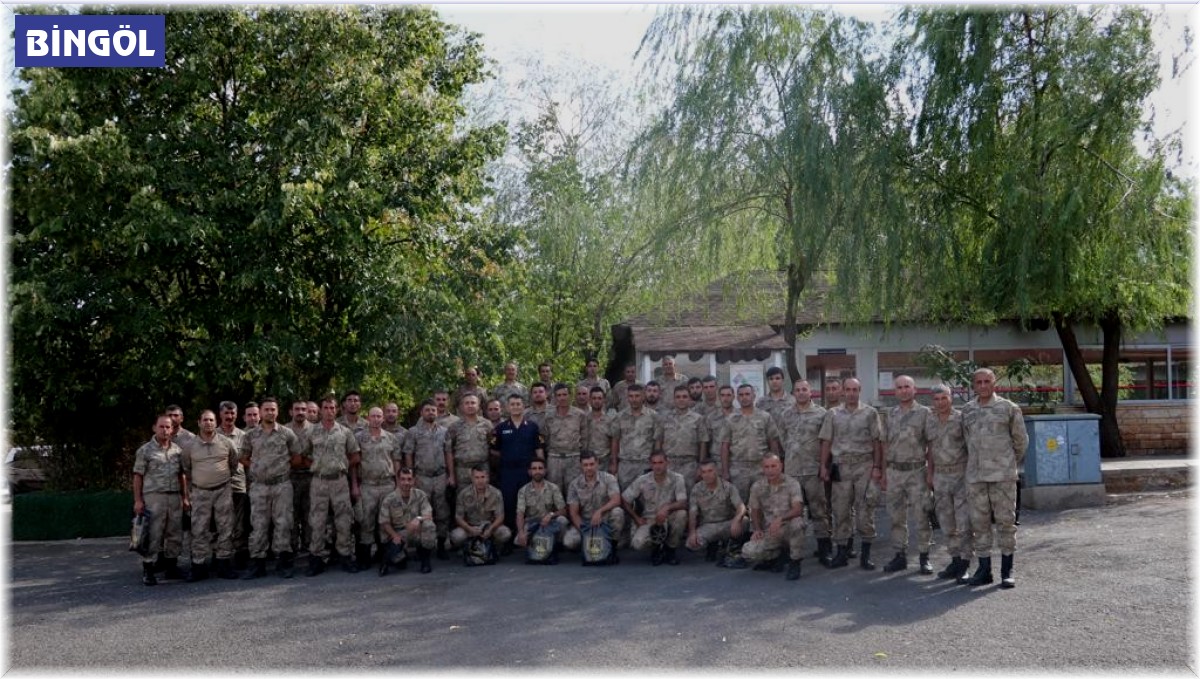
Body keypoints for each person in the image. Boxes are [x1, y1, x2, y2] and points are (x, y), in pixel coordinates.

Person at [961, 368, 1028, 588]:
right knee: (979, 524)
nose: (982, 386)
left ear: (994, 383)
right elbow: (966, 441)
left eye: (986, 381)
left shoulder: (1009, 408)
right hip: (976, 477)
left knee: (1005, 522)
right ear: (974, 385)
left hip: (1003, 477)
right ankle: (984, 570)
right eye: (978, 382)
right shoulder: (967, 410)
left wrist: (1007, 463)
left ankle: (1007, 571)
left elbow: (1021, 441)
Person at [818, 378, 883, 570]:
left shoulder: (870, 413)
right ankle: (841, 553)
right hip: (841, 466)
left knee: (865, 511)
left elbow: (877, 442)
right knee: (840, 510)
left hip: (864, 466)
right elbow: (827, 441)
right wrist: (823, 466)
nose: (851, 393)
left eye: (855, 389)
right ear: (843, 392)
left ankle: (866, 555)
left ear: (859, 390)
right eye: (848, 389)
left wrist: (877, 467)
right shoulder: (833, 414)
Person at [239, 397, 301, 579]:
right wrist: (258, 468)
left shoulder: (287, 433)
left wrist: (281, 468)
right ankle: (257, 564)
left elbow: (297, 458)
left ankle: (284, 563)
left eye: (273, 409)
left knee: (284, 524)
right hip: (259, 486)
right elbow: (243, 458)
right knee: (258, 525)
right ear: (261, 412)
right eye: (266, 409)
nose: (270, 412)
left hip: (282, 485)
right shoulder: (251, 435)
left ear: (277, 412)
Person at [881, 375, 935, 574]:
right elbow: (884, 444)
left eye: (907, 387)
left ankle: (924, 556)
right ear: (895, 391)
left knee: (922, 516)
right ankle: (899, 555)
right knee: (896, 517)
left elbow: (931, 444)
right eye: (899, 387)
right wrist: (884, 473)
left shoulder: (925, 413)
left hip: (917, 471)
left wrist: (930, 473)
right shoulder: (889, 414)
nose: (903, 390)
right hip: (894, 472)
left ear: (914, 389)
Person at [302, 396, 361, 576]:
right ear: (321, 410)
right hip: (319, 482)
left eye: (332, 408)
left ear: (337, 410)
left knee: (344, 520)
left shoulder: (345, 432)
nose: (329, 411)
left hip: (339, 481)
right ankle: (316, 558)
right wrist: (317, 466)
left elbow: (355, 456)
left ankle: (344, 555)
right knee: (317, 521)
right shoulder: (311, 432)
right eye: (326, 408)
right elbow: (302, 456)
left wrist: (341, 466)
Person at [180, 410, 239, 581]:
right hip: (200, 492)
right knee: (199, 529)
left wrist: (220, 478)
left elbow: (233, 464)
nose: (208, 423)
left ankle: (224, 563)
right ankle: (198, 566)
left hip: (223, 491)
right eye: (205, 420)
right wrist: (201, 481)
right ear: (199, 422)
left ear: (216, 422)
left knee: (225, 528)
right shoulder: (189, 446)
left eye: (211, 420)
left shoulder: (226, 443)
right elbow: (187, 469)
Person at [778, 380, 833, 567]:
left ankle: (824, 550)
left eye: (804, 389)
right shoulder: (786, 414)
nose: (801, 393)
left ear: (811, 392)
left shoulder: (821, 414)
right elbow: (783, 440)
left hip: (813, 471)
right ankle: (790, 551)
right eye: (798, 390)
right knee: (791, 512)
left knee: (819, 511)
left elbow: (825, 441)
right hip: (792, 472)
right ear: (793, 393)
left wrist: (823, 466)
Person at [133, 414, 188, 585]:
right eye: (161, 426)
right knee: (153, 533)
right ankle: (148, 569)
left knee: (174, 533)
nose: (165, 430)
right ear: (154, 428)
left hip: (174, 496)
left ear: (172, 429)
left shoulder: (177, 451)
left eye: (168, 427)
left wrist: (185, 497)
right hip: (154, 496)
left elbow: (182, 476)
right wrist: (138, 500)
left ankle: (172, 567)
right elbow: (138, 476)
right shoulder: (145, 450)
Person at [925, 383, 972, 580]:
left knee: (964, 522)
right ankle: (955, 559)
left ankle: (966, 563)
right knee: (946, 522)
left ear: (951, 398)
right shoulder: (930, 420)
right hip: (941, 476)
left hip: (961, 475)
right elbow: (930, 449)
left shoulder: (961, 418)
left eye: (944, 398)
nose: (940, 402)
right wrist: (930, 473)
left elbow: (970, 446)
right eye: (936, 399)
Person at [741, 454, 806, 581]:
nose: (770, 470)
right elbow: (755, 510)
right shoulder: (757, 486)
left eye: (773, 466)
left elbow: (798, 509)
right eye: (767, 467)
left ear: (781, 466)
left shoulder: (792, 484)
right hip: (771, 530)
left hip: (788, 527)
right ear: (762, 468)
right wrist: (757, 529)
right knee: (748, 551)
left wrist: (781, 519)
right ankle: (776, 557)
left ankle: (795, 562)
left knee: (798, 523)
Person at [489, 394, 544, 537]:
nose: (515, 407)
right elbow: (493, 450)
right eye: (512, 404)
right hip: (508, 472)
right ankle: (510, 535)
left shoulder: (532, 427)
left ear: (524, 406)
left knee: (529, 503)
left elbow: (539, 449)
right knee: (509, 502)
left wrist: (541, 468)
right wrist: (508, 456)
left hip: (527, 472)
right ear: (507, 407)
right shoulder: (500, 428)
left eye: (518, 404)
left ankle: (529, 534)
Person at [404, 399, 453, 560]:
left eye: (433, 410)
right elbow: (409, 454)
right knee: (421, 512)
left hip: (440, 476)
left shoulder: (444, 431)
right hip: (422, 477)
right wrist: (411, 477)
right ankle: (422, 547)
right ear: (421, 413)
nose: (431, 412)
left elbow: (448, 453)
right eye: (427, 410)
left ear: (437, 412)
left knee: (442, 512)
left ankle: (441, 545)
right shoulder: (413, 432)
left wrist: (451, 475)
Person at [621, 452, 688, 566]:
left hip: (669, 517)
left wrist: (667, 508)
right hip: (650, 519)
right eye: (654, 463)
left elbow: (683, 503)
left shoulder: (677, 478)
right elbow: (625, 499)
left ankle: (670, 550)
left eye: (661, 462)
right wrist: (636, 518)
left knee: (682, 514)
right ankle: (656, 549)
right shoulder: (642, 480)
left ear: (667, 463)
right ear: (650, 464)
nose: (657, 466)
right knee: (638, 543)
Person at [355, 407, 401, 569]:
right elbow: (354, 463)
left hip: (387, 484)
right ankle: (365, 557)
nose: (376, 419)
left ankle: (384, 555)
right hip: (368, 485)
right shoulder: (359, 438)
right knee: (366, 520)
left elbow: (396, 461)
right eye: (373, 416)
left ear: (382, 418)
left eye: (379, 416)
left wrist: (398, 484)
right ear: (367, 418)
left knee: (386, 520)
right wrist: (355, 485)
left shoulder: (391, 438)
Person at [721, 384, 783, 500]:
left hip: (761, 468)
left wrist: (776, 466)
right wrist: (725, 471)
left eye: (747, 394)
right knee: (740, 502)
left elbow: (773, 442)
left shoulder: (765, 417)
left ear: (754, 396)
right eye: (741, 395)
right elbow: (725, 446)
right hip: (738, 469)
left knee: (764, 501)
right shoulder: (730, 419)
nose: (744, 397)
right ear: (737, 398)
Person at [563, 452, 624, 561]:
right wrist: (585, 531)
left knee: (617, 512)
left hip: (604, 519)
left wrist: (600, 511)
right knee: (569, 542)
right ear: (581, 466)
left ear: (597, 463)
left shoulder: (609, 479)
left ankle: (612, 547)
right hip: (586, 522)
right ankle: (587, 546)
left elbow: (616, 500)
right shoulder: (574, 484)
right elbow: (573, 513)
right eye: (585, 465)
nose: (589, 468)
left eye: (592, 464)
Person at [377, 467, 436, 575]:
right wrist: (394, 535)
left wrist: (418, 518)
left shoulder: (420, 495)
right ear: (398, 480)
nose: (406, 483)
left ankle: (425, 561)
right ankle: (390, 560)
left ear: (414, 480)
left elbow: (428, 514)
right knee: (398, 561)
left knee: (429, 525)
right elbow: (384, 522)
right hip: (397, 534)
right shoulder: (389, 499)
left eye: (409, 479)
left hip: (415, 531)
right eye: (403, 479)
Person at [686, 460, 746, 561]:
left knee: (744, 521)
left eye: (710, 471)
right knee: (691, 544)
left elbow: (741, 507)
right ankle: (712, 545)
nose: (707, 475)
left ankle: (732, 546)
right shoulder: (696, 489)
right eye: (704, 472)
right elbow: (693, 513)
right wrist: (692, 533)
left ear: (716, 471)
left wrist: (737, 520)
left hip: (726, 525)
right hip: (708, 526)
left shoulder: (728, 487)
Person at [217, 400, 251, 569]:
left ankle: (240, 554)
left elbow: (250, 460)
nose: (229, 416)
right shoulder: (212, 435)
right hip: (218, 485)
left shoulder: (244, 436)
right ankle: (219, 555)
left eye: (232, 413)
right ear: (220, 414)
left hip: (238, 484)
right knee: (219, 521)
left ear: (237, 415)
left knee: (239, 522)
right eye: (226, 413)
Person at [514, 458, 569, 563]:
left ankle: (556, 545)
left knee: (562, 520)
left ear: (545, 471)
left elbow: (563, 510)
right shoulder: (523, 490)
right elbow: (520, 514)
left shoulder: (553, 488)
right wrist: (521, 532)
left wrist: (551, 515)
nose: (537, 471)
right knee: (518, 540)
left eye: (540, 468)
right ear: (529, 472)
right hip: (532, 524)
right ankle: (534, 546)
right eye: (534, 468)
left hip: (549, 523)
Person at [451, 465, 513, 556]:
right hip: (470, 526)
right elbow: (458, 517)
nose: (480, 481)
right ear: (472, 478)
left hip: (489, 526)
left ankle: (493, 546)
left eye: (483, 477)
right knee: (456, 536)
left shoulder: (496, 493)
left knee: (505, 533)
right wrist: (470, 529)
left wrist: (490, 529)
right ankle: (466, 547)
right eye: (477, 477)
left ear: (488, 478)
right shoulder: (463, 494)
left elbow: (500, 516)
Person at [609, 384, 663, 490]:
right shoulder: (619, 417)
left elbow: (657, 441)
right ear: (627, 398)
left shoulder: (654, 416)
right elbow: (615, 441)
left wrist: (656, 463)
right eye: (631, 396)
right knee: (625, 494)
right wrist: (614, 463)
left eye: (637, 396)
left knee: (647, 495)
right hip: (625, 464)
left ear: (643, 397)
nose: (634, 399)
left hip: (645, 463)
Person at [659, 385, 710, 482]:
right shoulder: (665, 418)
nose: (681, 399)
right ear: (674, 399)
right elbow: (659, 441)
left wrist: (701, 466)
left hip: (689, 465)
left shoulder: (698, 419)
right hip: (669, 464)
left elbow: (703, 443)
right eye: (678, 397)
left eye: (684, 397)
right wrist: (658, 463)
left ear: (689, 399)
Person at [542, 383, 588, 490]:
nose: (562, 398)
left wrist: (582, 458)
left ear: (570, 396)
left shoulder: (579, 414)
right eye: (559, 395)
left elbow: (585, 438)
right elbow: (545, 437)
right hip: (554, 458)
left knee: (574, 489)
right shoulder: (549, 416)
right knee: (554, 490)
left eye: (564, 395)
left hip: (574, 458)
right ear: (555, 397)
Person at [285, 400, 315, 556]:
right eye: (297, 409)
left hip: (310, 477)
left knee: (310, 514)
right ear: (291, 412)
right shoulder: (284, 430)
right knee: (291, 514)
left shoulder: (316, 430)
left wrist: (305, 460)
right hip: (290, 477)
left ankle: (309, 546)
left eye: (303, 409)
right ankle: (292, 546)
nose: (300, 412)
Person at [584, 387, 616, 475]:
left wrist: (613, 462)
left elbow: (613, 441)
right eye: (594, 398)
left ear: (604, 400)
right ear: (589, 400)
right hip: (588, 461)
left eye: (599, 398)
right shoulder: (584, 419)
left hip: (605, 461)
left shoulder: (610, 420)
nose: (597, 401)